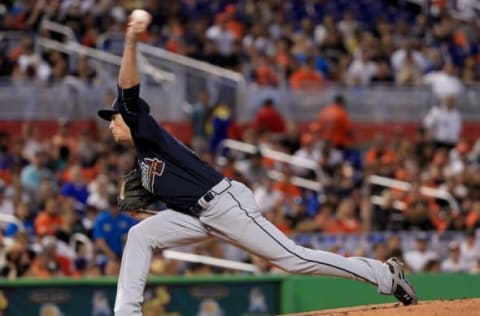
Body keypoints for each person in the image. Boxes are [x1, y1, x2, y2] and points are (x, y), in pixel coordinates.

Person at [97, 12, 417, 316]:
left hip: (225, 204)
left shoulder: (145, 129)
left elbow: (127, 90)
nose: (111, 124)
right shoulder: (143, 163)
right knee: (141, 235)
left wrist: (130, 41)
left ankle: (384, 274)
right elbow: (160, 201)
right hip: (196, 215)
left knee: (293, 260)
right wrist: (143, 209)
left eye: (113, 118)